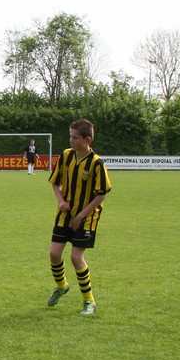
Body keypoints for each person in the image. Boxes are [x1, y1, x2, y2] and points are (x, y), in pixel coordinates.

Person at [47, 119, 112, 316]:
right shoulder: (66, 156)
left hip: (86, 217)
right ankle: (62, 286)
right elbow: (55, 183)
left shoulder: (97, 163)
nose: (71, 140)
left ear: (87, 139)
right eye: (70, 136)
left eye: (75, 137)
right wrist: (60, 201)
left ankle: (89, 301)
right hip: (65, 215)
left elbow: (102, 194)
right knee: (54, 254)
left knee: (76, 257)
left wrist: (81, 215)